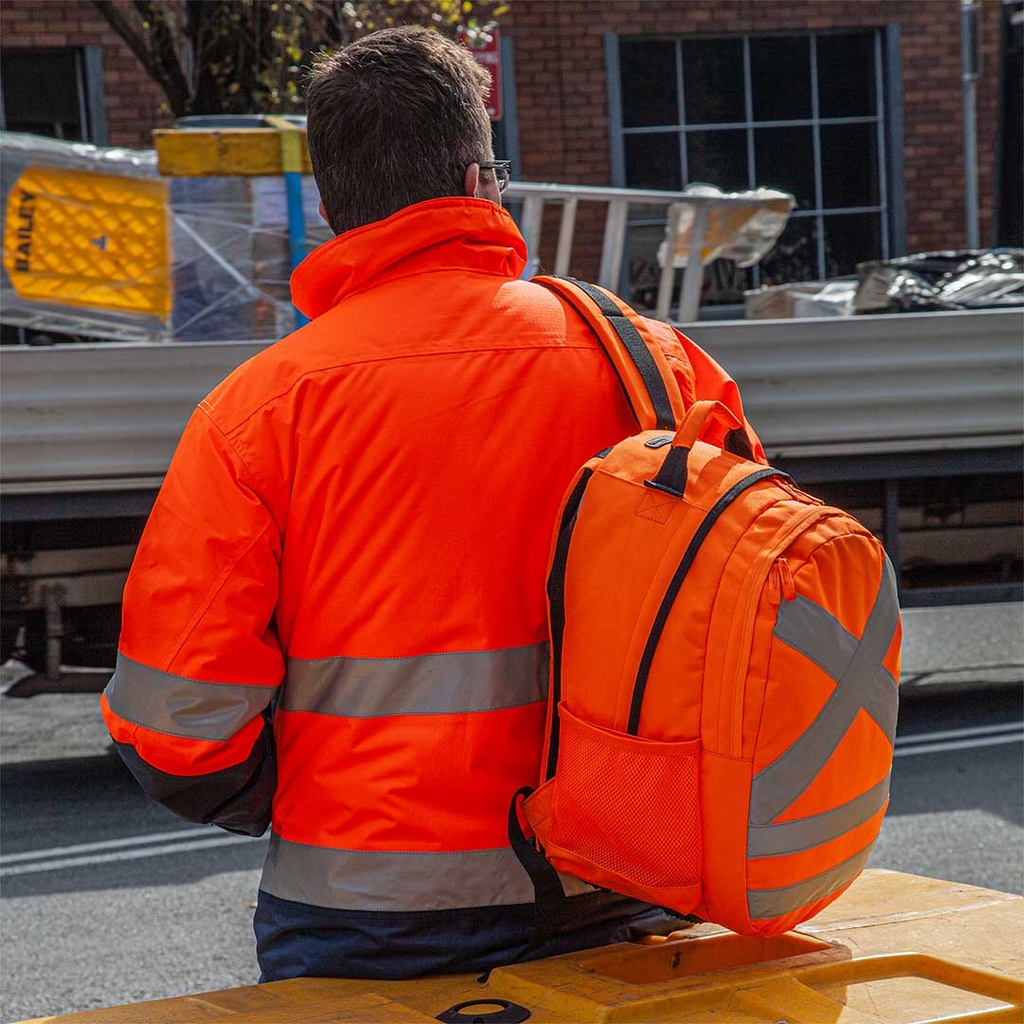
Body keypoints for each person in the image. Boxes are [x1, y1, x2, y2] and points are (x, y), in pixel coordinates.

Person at [102, 25, 765, 982]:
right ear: (477, 178)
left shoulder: (260, 410)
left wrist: (304, 793)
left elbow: (176, 727)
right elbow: (752, 615)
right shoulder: (648, 361)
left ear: (333, 209)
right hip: (625, 881)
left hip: (368, 914)